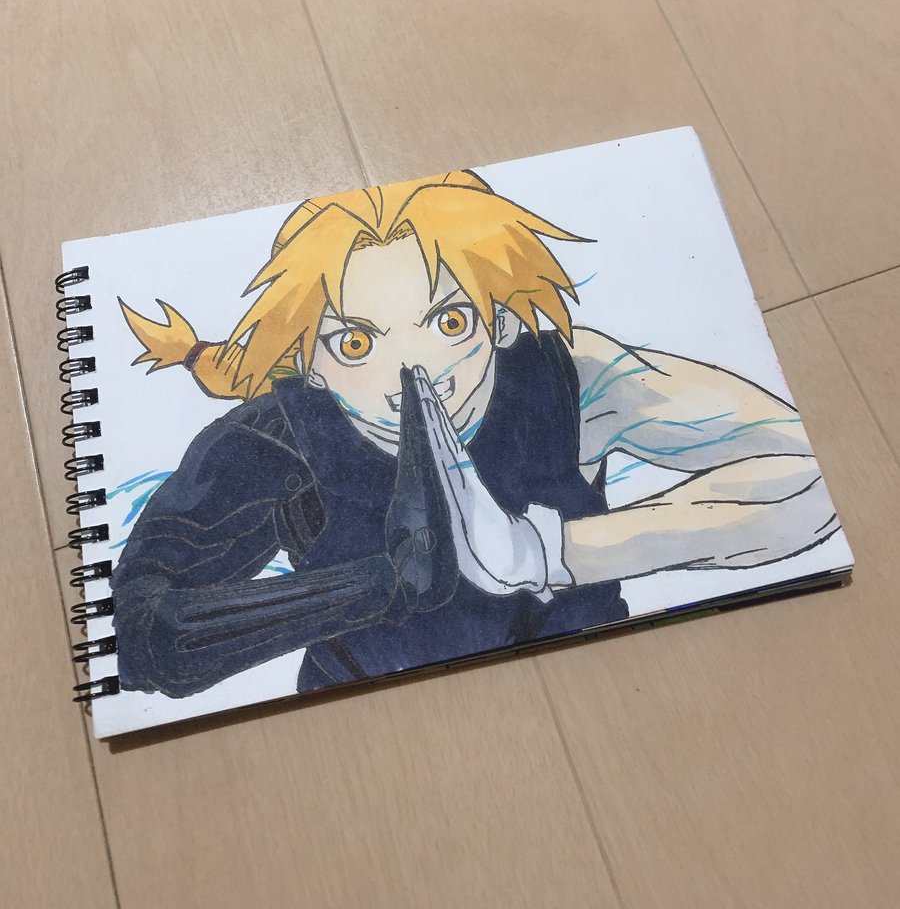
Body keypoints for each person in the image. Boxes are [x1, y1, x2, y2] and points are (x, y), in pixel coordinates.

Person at [112, 170, 837, 698]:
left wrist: (546, 553)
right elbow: (139, 636)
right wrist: (378, 588)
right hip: (370, 719)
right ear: (309, 363)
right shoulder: (278, 439)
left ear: (504, 318)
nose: (412, 371)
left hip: (609, 683)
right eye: (356, 343)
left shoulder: (570, 382)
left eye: (450, 321)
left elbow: (805, 469)